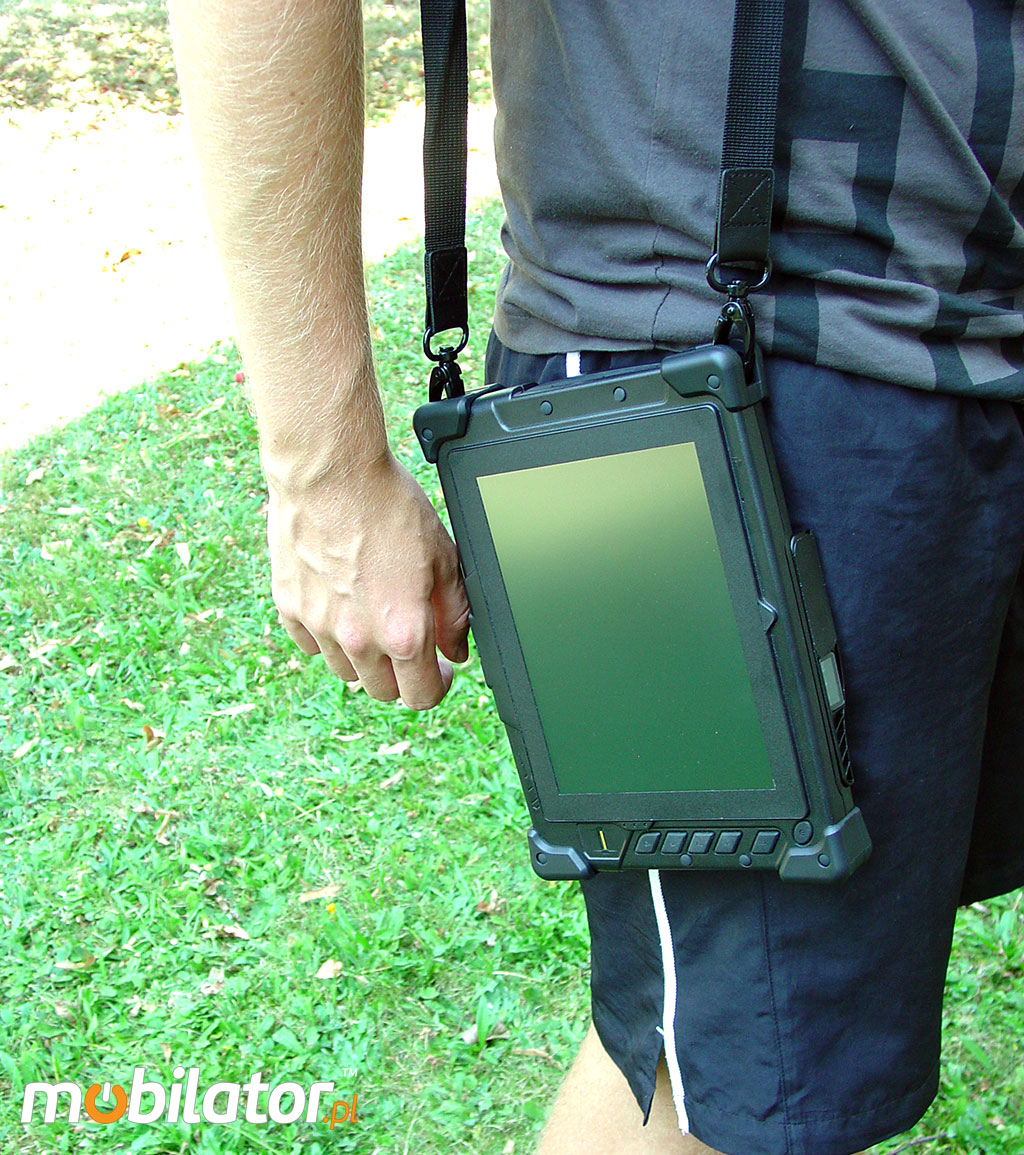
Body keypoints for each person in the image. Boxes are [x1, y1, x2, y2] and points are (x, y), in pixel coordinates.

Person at [169, 2, 1024, 1153]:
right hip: (710, 380)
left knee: (802, 996)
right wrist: (324, 472)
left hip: (966, 333)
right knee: (722, 1071)